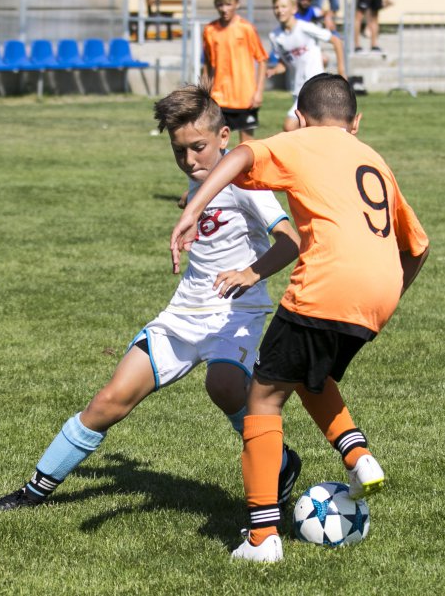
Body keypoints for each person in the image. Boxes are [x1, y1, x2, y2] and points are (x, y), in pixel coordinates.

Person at [0, 83, 303, 514]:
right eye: (179, 151)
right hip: (182, 315)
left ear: (224, 137)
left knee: (223, 386)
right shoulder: (197, 180)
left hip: (235, 314)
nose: (190, 160)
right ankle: (31, 493)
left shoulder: (247, 184)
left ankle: (280, 461)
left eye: (199, 148)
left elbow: (291, 241)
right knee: (109, 400)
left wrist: (250, 272)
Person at [170, 74, 430, 562]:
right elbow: (419, 247)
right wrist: (384, 299)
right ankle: (358, 456)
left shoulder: (303, 141)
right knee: (310, 375)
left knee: (263, 398)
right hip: (378, 294)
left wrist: (192, 210)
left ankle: (262, 538)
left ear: (301, 118)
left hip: (327, 282)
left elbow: (240, 154)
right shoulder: (374, 159)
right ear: (356, 122)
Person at [267, 0, 346, 132]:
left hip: (316, 86)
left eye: (284, 6)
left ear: (294, 9)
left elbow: (336, 41)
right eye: (276, 7)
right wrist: (273, 70)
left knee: (290, 126)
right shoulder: (275, 36)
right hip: (298, 90)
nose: (279, 10)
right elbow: (285, 63)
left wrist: (342, 71)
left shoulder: (305, 27)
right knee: (311, 130)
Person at [202, 0, 269, 145]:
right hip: (219, 98)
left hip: (245, 98)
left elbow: (262, 59)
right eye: (220, 4)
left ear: (237, 4)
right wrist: (203, 93)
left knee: (246, 147)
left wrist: (258, 92)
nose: (224, 9)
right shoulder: (210, 30)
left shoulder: (246, 28)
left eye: (228, 4)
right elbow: (208, 65)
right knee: (216, 146)